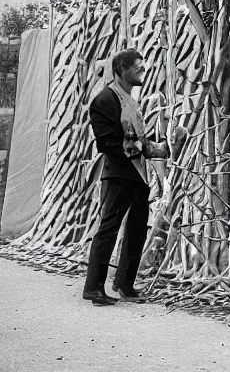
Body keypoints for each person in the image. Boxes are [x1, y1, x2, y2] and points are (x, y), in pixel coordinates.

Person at [82, 48, 170, 306]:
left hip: (138, 176)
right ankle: (93, 288)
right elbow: (108, 143)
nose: (143, 71)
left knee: (136, 231)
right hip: (119, 174)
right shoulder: (104, 100)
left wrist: (162, 147)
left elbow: (139, 141)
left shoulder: (131, 101)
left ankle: (124, 284)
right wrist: (144, 148)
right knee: (108, 230)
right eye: (138, 68)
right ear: (121, 70)